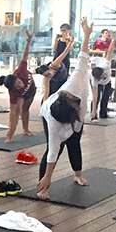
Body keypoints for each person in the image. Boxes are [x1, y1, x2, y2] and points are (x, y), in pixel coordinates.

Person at [36, 17, 94, 201]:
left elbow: (83, 55)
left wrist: (86, 34)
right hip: (50, 112)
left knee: (74, 142)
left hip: (72, 116)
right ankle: (42, 185)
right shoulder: (52, 119)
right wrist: (48, 177)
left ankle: (77, 173)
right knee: (55, 148)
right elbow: (53, 150)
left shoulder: (77, 81)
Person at [0, 30, 36, 142]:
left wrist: (28, 40)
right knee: (17, 111)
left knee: (26, 109)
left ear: (17, 78)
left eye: (19, 83)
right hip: (21, 96)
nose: (20, 85)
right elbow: (12, 114)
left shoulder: (21, 71)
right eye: (17, 87)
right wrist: (9, 135)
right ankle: (11, 134)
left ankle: (26, 129)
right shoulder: (13, 93)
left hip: (32, 90)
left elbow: (25, 55)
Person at [35, 36, 74, 102]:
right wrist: (44, 107)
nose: (48, 76)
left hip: (63, 82)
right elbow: (46, 94)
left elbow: (65, 52)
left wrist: (71, 42)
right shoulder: (47, 79)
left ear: (49, 68)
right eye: (46, 75)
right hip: (53, 90)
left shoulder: (55, 64)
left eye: (48, 74)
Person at [90, 37, 116, 121]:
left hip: (107, 82)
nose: (101, 79)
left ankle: (103, 113)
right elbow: (94, 96)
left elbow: (110, 52)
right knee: (96, 98)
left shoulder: (106, 65)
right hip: (95, 66)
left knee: (105, 96)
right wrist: (94, 111)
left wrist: (112, 41)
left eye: (101, 77)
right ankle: (93, 114)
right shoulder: (94, 79)